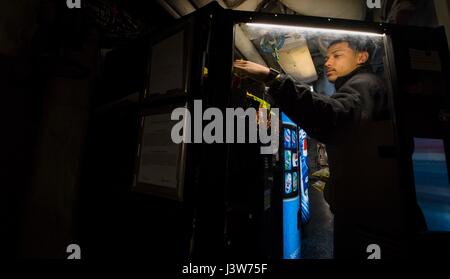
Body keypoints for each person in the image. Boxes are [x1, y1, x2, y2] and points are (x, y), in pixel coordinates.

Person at [234, 37, 426, 259]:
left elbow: (333, 117)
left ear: (361, 57)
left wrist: (273, 78)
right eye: (326, 57)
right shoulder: (370, 86)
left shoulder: (364, 83)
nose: (327, 62)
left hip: (372, 224)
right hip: (377, 217)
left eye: (337, 55)